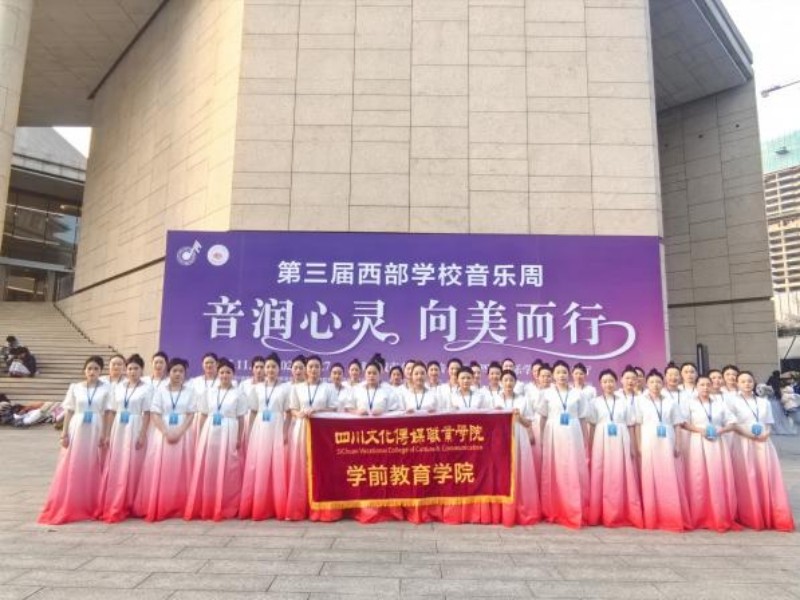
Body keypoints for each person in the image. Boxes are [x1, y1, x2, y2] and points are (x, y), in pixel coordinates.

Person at [39, 356, 113, 524]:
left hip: (96, 427)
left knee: (92, 463)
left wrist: (105, 434)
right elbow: (69, 411)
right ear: (84, 371)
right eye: (89, 368)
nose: (92, 372)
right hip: (77, 427)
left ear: (100, 371)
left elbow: (108, 412)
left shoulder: (106, 389)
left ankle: (91, 502)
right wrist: (64, 433)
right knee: (73, 463)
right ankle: (71, 500)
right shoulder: (75, 387)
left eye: (96, 369)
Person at [729, 371, 795, 531]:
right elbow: (732, 424)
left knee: (765, 476)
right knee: (746, 477)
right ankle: (749, 514)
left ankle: (769, 512)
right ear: (737, 384)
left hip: (763, 442)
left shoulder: (763, 402)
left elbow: (769, 422)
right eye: (743, 381)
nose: (747, 384)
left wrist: (766, 434)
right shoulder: (732, 402)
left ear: (754, 383)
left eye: (749, 381)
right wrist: (749, 435)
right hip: (743, 442)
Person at [133, 357, 196, 521]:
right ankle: (161, 503)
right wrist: (166, 432)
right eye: (174, 371)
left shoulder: (190, 392)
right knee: (162, 468)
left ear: (185, 373)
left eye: (181, 371)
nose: (178, 374)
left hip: (184, 434)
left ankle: (181, 505)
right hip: (162, 433)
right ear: (169, 372)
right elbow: (155, 413)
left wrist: (179, 432)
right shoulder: (160, 391)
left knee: (182, 469)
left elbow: (191, 414)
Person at [185, 358, 247, 520]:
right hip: (210, 430)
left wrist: (239, 437)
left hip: (230, 429)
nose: (225, 375)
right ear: (218, 374)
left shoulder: (239, 393)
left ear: (233, 374)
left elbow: (241, 418)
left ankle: (228, 505)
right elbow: (204, 414)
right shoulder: (210, 392)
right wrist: (201, 435)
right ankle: (208, 504)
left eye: (228, 372)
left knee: (229, 468)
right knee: (210, 467)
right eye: (222, 372)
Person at [98, 354, 153, 522]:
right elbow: (112, 411)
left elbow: (147, 413)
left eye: (136, 368)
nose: (132, 371)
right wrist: (107, 434)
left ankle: (132, 500)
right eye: (129, 368)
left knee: (134, 462)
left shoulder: (147, 388)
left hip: (135, 425)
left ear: (142, 370)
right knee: (117, 462)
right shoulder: (119, 387)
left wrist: (142, 434)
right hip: (119, 427)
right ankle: (115, 498)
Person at [634, 369, 690, 532]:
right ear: (646, 383)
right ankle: (652, 516)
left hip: (667, 440)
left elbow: (677, 424)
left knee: (669, 475)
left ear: (663, 383)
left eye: (658, 382)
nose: (655, 385)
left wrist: (678, 444)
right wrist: (638, 445)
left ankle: (671, 515)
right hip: (648, 439)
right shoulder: (640, 401)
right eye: (652, 382)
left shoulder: (671, 402)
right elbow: (637, 424)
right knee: (650, 477)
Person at [681, 376, 738, 531]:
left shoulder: (720, 403)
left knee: (717, 476)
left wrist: (721, 430)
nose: (705, 387)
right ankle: (699, 515)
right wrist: (700, 430)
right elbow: (683, 423)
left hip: (717, 442)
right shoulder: (689, 403)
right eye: (702, 385)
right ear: (696, 386)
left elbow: (732, 422)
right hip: (697, 441)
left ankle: (718, 513)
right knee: (698, 477)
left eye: (708, 385)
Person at [587, 369, 643, 528]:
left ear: (616, 382)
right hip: (601, 439)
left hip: (621, 438)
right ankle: (600, 513)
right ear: (600, 384)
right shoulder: (595, 402)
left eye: (611, 381)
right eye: (605, 381)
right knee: (601, 472)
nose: (608, 384)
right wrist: (590, 445)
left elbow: (631, 425)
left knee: (621, 472)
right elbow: (592, 425)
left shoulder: (624, 402)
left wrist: (632, 446)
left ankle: (623, 511)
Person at [286, 355, 339, 521]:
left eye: (317, 366)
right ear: (306, 369)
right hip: (302, 427)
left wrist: (317, 411)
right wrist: (300, 414)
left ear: (321, 369)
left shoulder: (328, 388)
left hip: (322, 430)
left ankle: (323, 509)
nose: (313, 369)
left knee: (320, 466)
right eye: (310, 366)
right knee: (301, 465)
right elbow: (292, 409)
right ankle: (299, 508)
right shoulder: (297, 388)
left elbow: (334, 408)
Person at [538, 360, 590, 528]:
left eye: (564, 372)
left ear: (569, 374)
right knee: (555, 471)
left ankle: (574, 509)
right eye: (558, 372)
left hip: (573, 433)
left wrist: (585, 440)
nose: (561, 375)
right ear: (553, 375)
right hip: (553, 434)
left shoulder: (578, 394)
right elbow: (543, 417)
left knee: (573, 470)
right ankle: (554, 509)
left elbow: (583, 418)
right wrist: (542, 438)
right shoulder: (546, 394)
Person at [240, 352, 289, 521]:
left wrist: (285, 432)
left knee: (276, 466)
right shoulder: (257, 388)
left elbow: (289, 413)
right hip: (260, 428)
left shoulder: (285, 388)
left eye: (273, 367)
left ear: (279, 369)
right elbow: (253, 411)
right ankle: (258, 505)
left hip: (277, 426)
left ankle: (277, 506)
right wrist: (250, 431)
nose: (270, 370)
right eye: (268, 367)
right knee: (258, 465)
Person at [497, 369, 540, 526]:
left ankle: (522, 509)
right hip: (500, 438)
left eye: (511, 380)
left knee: (520, 472)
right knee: (503, 473)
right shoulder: (494, 399)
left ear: (515, 382)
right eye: (505, 380)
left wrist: (518, 416)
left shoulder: (523, 399)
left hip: (520, 437)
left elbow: (528, 423)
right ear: (501, 382)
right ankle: (502, 512)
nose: (508, 383)